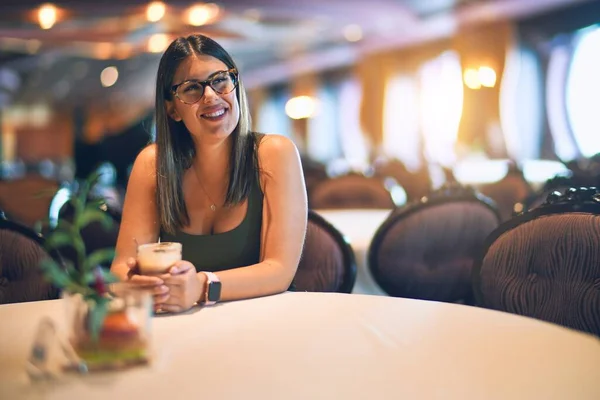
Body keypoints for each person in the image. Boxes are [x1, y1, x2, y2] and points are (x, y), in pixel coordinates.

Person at [110, 34, 307, 313]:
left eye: (220, 80)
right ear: (172, 109)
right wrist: (137, 282)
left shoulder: (274, 153)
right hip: (182, 327)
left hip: (264, 321)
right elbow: (120, 268)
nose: (211, 96)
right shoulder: (151, 164)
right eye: (192, 89)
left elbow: (279, 270)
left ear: (235, 85)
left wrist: (202, 286)